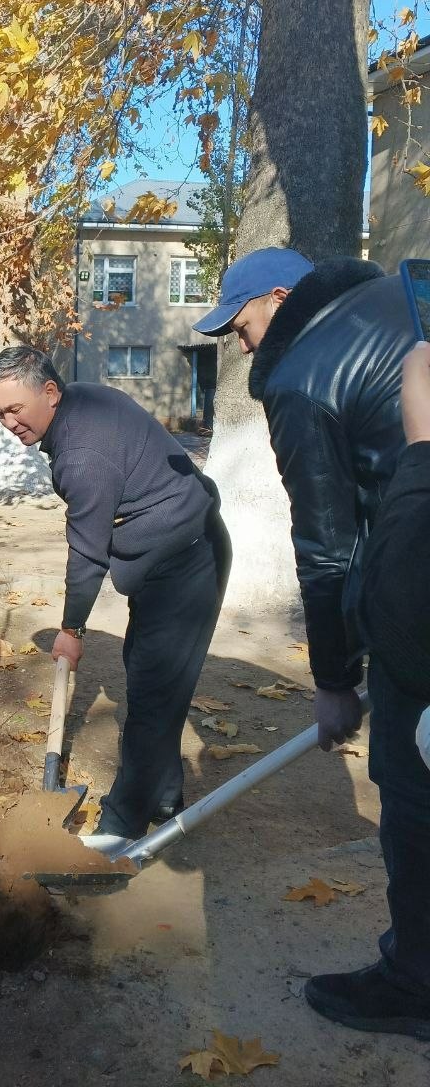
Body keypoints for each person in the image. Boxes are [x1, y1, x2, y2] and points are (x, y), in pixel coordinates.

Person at [194, 247, 430, 1040]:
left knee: (413, 788)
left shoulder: (303, 378)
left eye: (243, 323)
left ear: (283, 298)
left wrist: (335, 679)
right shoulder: (405, 299)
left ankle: (416, 983)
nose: (240, 343)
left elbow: (326, 547)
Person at [0, 345, 231, 851]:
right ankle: (163, 797)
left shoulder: (80, 454)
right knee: (148, 682)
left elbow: (87, 554)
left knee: (152, 696)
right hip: (174, 553)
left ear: (49, 392)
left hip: (186, 561)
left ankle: (120, 829)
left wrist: (71, 631)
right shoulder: (81, 405)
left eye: (14, 409)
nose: (8, 423)